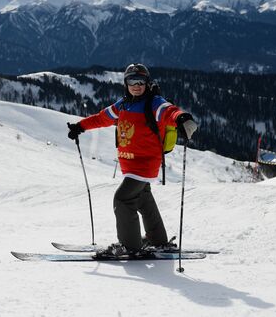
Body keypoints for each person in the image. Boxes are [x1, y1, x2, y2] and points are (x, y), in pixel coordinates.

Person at [67, 63, 198, 257]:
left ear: (147, 82)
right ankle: (158, 240)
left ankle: (130, 246)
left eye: (141, 81)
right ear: (126, 83)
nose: (136, 85)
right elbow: (102, 117)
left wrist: (181, 118)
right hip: (131, 166)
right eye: (132, 81)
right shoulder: (123, 104)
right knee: (143, 199)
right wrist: (81, 126)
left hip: (145, 164)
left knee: (123, 199)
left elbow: (169, 111)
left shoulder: (153, 103)